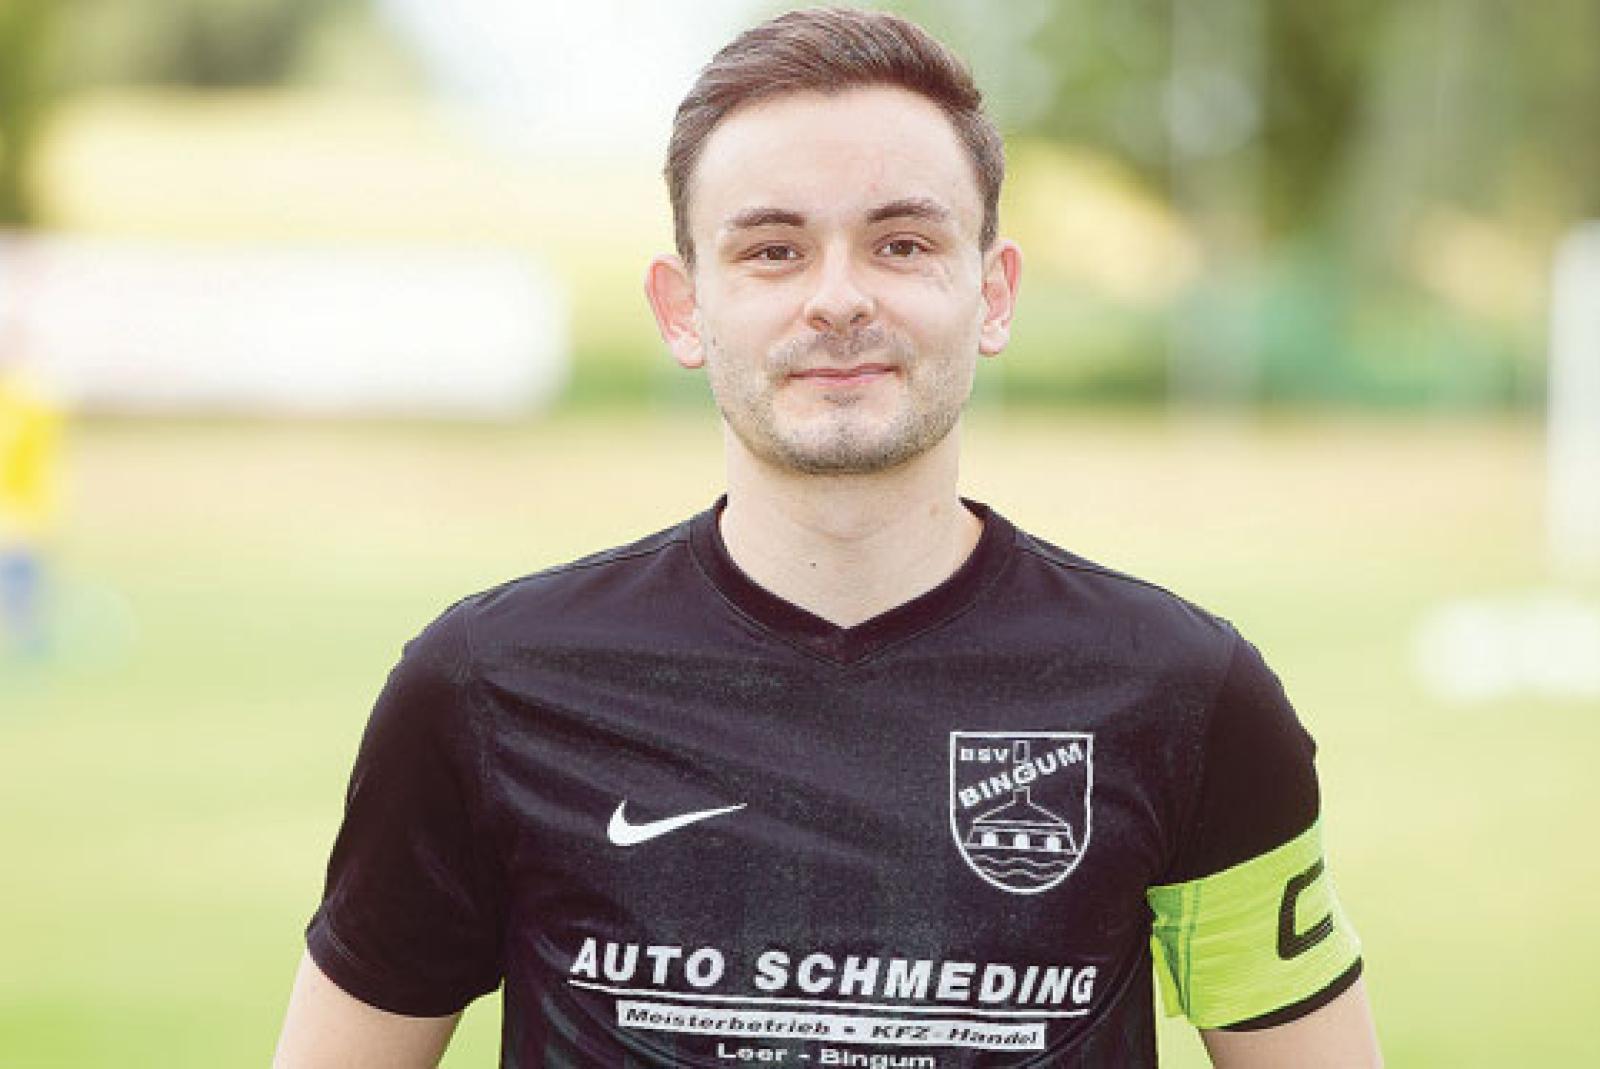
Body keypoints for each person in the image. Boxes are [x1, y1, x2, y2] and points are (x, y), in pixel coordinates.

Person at [274, 9, 1381, 1067]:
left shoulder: (1187, 696)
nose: (839, 299)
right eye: (773, 250)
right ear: (682, 307)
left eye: (901, 243)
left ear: (993, 293)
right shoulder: (487, 687)